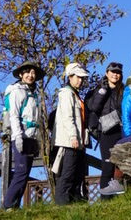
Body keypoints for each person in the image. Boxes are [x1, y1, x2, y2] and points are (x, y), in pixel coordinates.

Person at [3, 60, 45, 210]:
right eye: (27, 72)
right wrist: (18, 136)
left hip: (31, 136)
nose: (30, 75)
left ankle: (14, 206)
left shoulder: (32, 92)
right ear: (21, 74)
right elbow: (14, 115)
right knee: (21, 172)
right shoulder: (16, 91)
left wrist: (38, 139)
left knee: (25, 172)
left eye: (33, 73)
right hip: (21, 135)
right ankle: (8, 205)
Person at [52, 62, 88, 205]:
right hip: (69, 142)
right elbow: (68, 117)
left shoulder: (75, 94)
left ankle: (72, 203)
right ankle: (62, 205)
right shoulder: (66, 94)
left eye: (82, 78)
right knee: (67, 173)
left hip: (76, 141)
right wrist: (73, 136)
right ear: (70, 77)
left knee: (76, 174)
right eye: (77, 77)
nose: (80, 80)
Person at [87, 62, 125, 196]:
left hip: (121, 131)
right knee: (107, 166)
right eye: (112, 71)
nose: (115, 74)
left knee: (122, 164)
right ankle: (105, 196)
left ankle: (121, 195)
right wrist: (103, 91)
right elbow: (93, 108)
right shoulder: (98, 90)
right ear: (106, 73)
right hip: (106, 132)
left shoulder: (123, 90)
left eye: (118, 72)